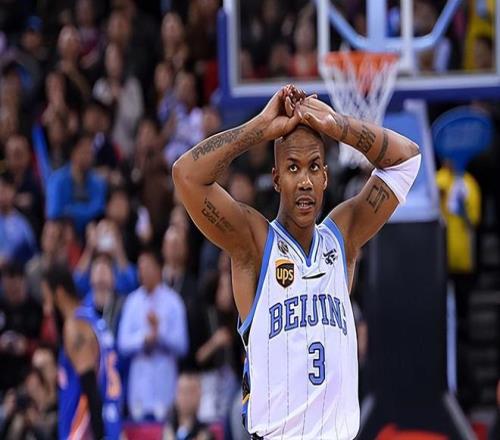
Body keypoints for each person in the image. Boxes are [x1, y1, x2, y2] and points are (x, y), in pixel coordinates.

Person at [173, 85, 421, 439]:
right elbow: (186, 174)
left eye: (313, 167)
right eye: (293, 168)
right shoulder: (255, 243)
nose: (304, 181)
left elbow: (407, 159)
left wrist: (338, 125)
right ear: (276, 178)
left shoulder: (343, 237)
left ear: (325, 177)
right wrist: (259, 128)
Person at [41, 263, 122, 440]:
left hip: (85, 431)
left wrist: (99, 435)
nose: (45, 306)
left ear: (59, 294)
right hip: (110, 419)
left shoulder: (74, 327)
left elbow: (90, 386)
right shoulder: (93, 320)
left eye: (46, 296)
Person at [117, 249, 188, 422]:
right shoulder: (132, 302)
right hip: (138, 387)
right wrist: (144, 339)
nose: (143, 272)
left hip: (165, 384)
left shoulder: (173, 301)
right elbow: (122, 343)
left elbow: (182, 345)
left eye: (147, 267)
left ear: (158, 268)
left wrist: (160, 334)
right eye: (140, 268)